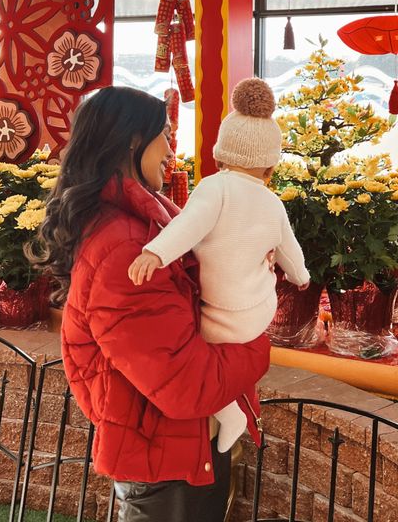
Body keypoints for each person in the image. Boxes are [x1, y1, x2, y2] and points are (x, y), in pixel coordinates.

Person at [31, 86, 271, 522]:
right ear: (131, 141)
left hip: (173, 450)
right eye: (163, 132)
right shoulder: (126, 246)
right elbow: (186, 385)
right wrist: (256, 337)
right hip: (166, 466)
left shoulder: (143, 224)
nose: (170, 147)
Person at [129, 78, 310, 454]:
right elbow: (291, 253)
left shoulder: (214, 187)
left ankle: (230, 414)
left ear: (221, 153)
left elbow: (187, 227)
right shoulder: (273, 202)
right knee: (226, 365)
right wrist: (302, 277)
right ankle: (235, 408)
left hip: (220, 313)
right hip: (258, 312)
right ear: (269, 166)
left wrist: (155, 253)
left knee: (196, 365)